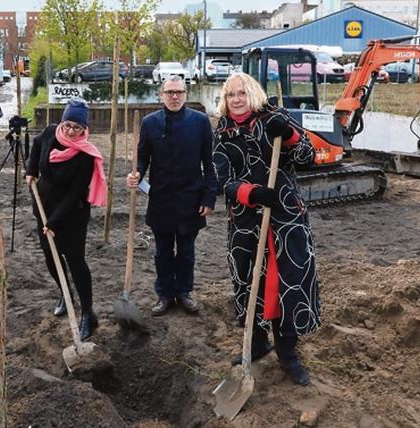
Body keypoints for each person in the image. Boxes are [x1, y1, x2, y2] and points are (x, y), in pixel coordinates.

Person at [212, 73, 321, 386]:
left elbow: (308, 156)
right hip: (245, 222)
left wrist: (288, 134)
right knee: (248, 282)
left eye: (241, 93)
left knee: (285, 283)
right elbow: (222, 180)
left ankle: (288, 355)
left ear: (252, 93)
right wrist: (251, 193)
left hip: (285, 219)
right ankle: (258, 343)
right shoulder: (222, 131)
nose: (236, 99)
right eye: (230, 94)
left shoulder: (274, 118)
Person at [126, 76, 217, 316]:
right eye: (169, 92)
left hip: (191, 198)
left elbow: (209, 163)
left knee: (186, 252)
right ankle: (165, 294)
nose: (174, 96)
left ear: (186, 94)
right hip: (161, 198)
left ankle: (184, 292)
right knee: (163, 252)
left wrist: (209, 197)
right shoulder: (150, 123)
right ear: (161, 95)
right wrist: (137, 173)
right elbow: (143, 156)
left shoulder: (200, 122)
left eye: (179, 92)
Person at [25, 98, 106, 340]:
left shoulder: (85, 155)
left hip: (72, 215)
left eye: (77, 128)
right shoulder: (50, 133)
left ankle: (87, 314)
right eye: (68, 125)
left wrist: (55, 222)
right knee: (51, 256)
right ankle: (65, 294)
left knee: (75, 261)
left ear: (85, 129)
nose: (71, 131)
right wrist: (31, 171)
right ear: (62, 122)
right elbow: (37, 147)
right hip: (44, 207)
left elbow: (74, 194)